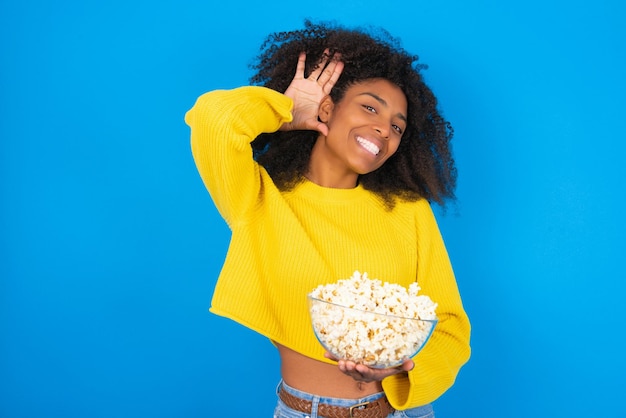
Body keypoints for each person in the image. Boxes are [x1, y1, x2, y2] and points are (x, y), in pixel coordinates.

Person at [185, 20, 471, 418]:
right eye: (369, 107)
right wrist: (284, 111)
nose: (382, 129)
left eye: (397, 127)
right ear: (326, 107)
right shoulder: (261, 199)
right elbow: (213, 120)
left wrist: (400, 371)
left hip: (401, 411)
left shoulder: (409, 210)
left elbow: (451, 328)